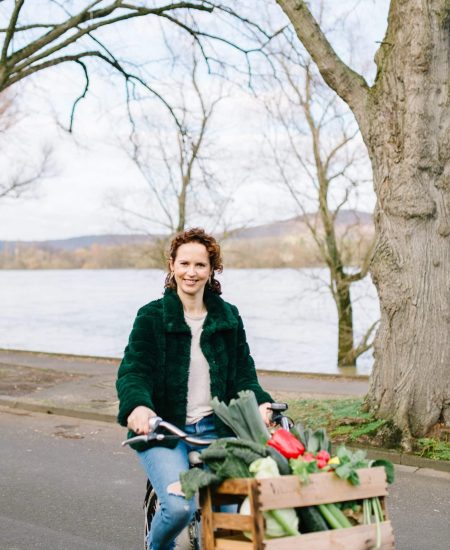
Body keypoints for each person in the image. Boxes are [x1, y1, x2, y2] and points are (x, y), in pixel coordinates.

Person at [116, 227, 273, 550]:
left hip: (218, 429)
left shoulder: (228, 317)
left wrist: (262, 403)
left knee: (232, 520)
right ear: (172, 266)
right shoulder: (151, 317)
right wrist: (138, 406)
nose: (191, 272)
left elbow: (245, 375)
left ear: (211, 270)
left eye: (200, 265)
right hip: (165, 428)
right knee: (178, 508)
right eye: (184, 263)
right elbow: (134, 372)